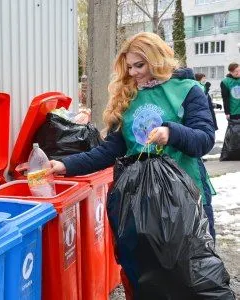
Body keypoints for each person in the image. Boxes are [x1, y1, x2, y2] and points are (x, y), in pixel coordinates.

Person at [46, 32, 217, 295]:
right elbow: (109, 151)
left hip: (187, 199)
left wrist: (171, 132)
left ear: (157, 59)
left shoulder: (188, 90)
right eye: (129, 67)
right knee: (145, 278)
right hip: (140, 203)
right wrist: (64, 165)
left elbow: (204, 139)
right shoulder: (129, 96)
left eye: (140, 65)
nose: (134, 73)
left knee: (193, 278)